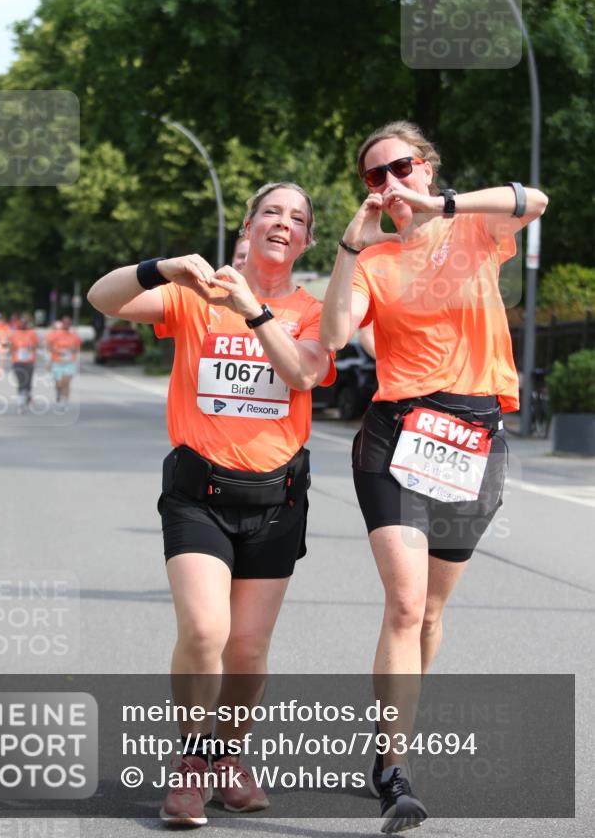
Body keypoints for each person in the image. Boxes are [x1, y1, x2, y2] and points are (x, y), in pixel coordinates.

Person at [320, 121, 548, 833]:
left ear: (425, 168)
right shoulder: (375, 263)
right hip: (396, 438)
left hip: (473, 439)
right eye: (372, 176)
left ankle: (392, 742)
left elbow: (532, 199)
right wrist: (348, 248)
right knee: (403, 603)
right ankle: (394, 770)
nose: (388, 183)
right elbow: (330, 338)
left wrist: (443, 207)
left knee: (430, 614)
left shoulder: (472, 230)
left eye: (398, 167)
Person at [88, 182, 335, 827]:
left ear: (306, 240)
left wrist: (256, 311)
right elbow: (103, 298)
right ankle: (194, 766)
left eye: (298, 218)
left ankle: (227, 757)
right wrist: (165, 268)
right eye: (272, 213)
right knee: (205, 631)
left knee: (248, 649)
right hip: (199, 495)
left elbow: (304, 374)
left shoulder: (312, 309)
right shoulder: (197, 298)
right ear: (247, 229)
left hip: (277, 499)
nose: (284, 223)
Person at [45, 317, 80, 404]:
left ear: (70, 324)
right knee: (59, 383)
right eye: (65, 323)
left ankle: (64, 401)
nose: (66, 325)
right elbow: (48, 346)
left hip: (69, 362)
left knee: (66, 382)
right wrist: (56, 351)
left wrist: (72, 350)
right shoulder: (55, 334)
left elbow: (76, 348)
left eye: (68, 323)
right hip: (57, 362)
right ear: (62, 324)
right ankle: (59, 392)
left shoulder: (74, 335)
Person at [9, 317, 39, 410]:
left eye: (24, 323)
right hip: (17, 361)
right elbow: (10, 346)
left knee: (28, 381)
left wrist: (30, 348)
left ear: (27, 324)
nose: (22, 325)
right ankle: (20, 401)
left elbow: (36, 345)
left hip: (29, 361)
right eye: (21, 323)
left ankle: (28, 396)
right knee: (21, 380)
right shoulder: (14, 334)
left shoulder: (32, 334)